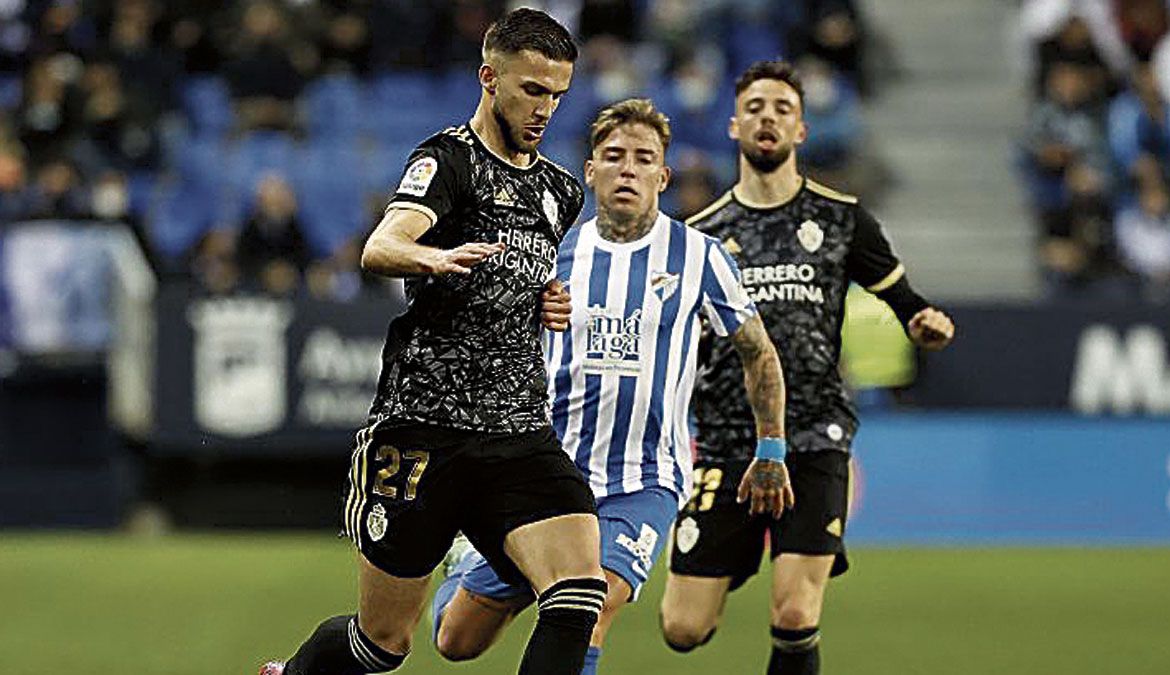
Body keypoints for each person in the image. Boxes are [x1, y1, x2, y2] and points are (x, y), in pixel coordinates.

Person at [260, 9, 607, 675]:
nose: (545, 109)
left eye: (557, 94)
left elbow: (522, 274)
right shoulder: (448, 161)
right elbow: (382, 244)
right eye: (532, 89)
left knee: (576, 587)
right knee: (381, 645)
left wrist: (543, 297)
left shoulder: (560, 192)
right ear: (489, 77)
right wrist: (431, 259)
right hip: (423, 432)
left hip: (517, 433)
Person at [428, 98, 789, 675]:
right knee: (457, 642)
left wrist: (771, 447)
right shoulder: (551, 249)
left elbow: (758, 352)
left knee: (588, 607)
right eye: (614, 156)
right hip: (543, 473)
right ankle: (469, 558)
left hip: (643, 479)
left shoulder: (700, 258)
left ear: (663, 176)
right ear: (590, 171)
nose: (628, 169)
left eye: (644, 159)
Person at [659, 60, 956, 675]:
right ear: (735, 126)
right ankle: (734, 555)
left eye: (783, 109)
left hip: (816, 435)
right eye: (757, 108)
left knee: (795, 613)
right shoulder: (700, 236)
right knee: (682, 628)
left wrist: (925, 321)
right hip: (725, 443)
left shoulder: (843, 220)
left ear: (801, 131)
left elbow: (907, 301)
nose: (769, 117)